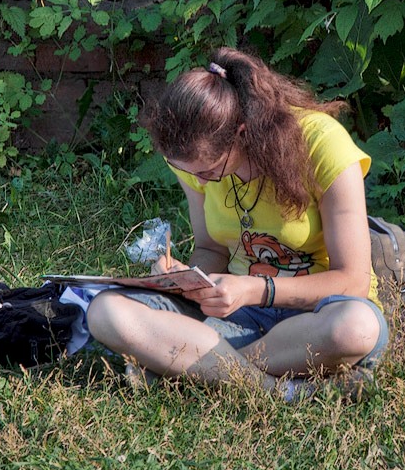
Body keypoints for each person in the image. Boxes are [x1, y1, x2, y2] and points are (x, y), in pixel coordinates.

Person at [86, 47, 388, 400]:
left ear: (241, 133)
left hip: (315, 318)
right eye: (190, 173)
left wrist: (252, 289)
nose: (203, 181)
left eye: (209, 170)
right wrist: (187, 279)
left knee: (356, 328)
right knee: (105, 312)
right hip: (235, 319)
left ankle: (195, 369)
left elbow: (353, 281)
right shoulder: (193, 161)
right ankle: (278, 391)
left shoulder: (322, 144)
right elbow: (211, 248)